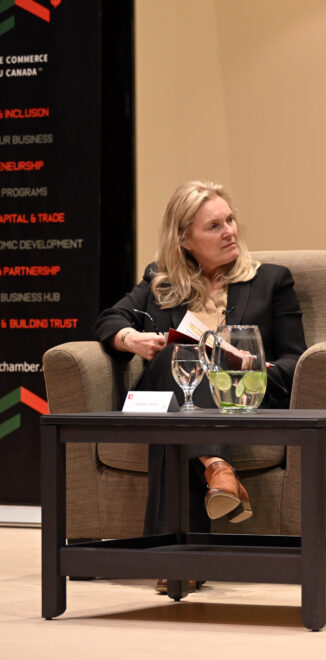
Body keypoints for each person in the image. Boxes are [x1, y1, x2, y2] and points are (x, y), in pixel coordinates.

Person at [95, 180, 306, 590]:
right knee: (183, 355)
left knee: (190, 378)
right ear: (184, 239)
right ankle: (217, 467)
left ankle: (173, 559)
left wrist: (250, 364)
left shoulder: (271, 281)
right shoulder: (159, 280)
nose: (230, 231)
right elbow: (108, 320)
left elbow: (297, 362)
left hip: (239, 398)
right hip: (166, 396)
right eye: (214, 226)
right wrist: (131, 339)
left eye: (230, 220)